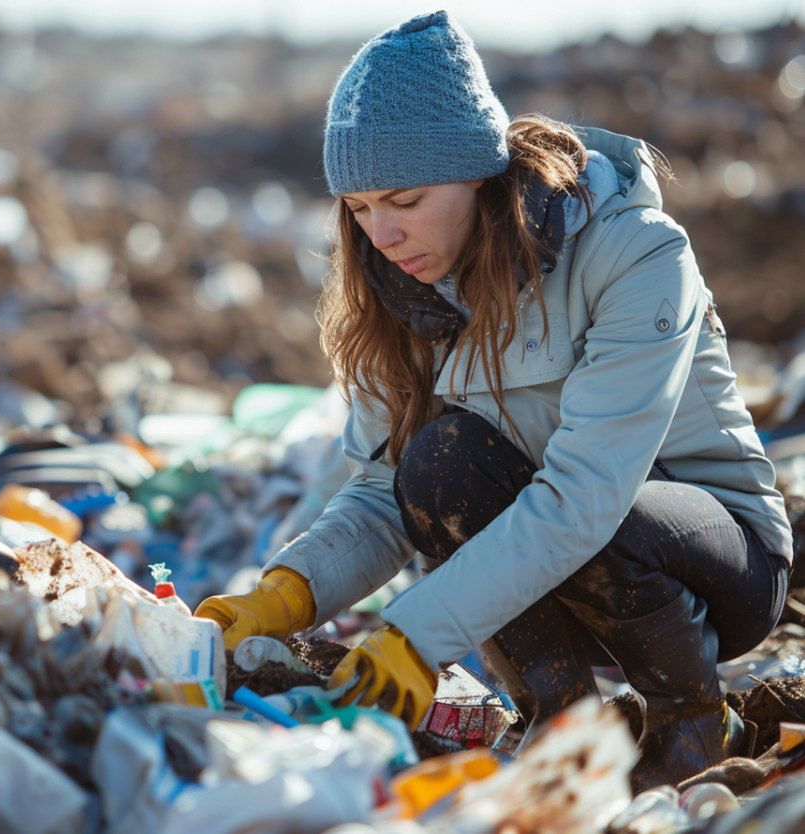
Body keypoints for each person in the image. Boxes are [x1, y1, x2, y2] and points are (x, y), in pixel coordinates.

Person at [195, 9, 793, 791]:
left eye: (403, 200)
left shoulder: (637, 254)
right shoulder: (404, 294)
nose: (381, 232)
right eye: (359, 207)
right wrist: (286, 592)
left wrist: (412, 638)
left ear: (475, 170)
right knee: (435, 464)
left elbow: (585, 496)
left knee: (601, 515)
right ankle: (560, 718)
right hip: (564, 563)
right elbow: (381, 489)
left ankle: (689, 717)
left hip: (712, 562)